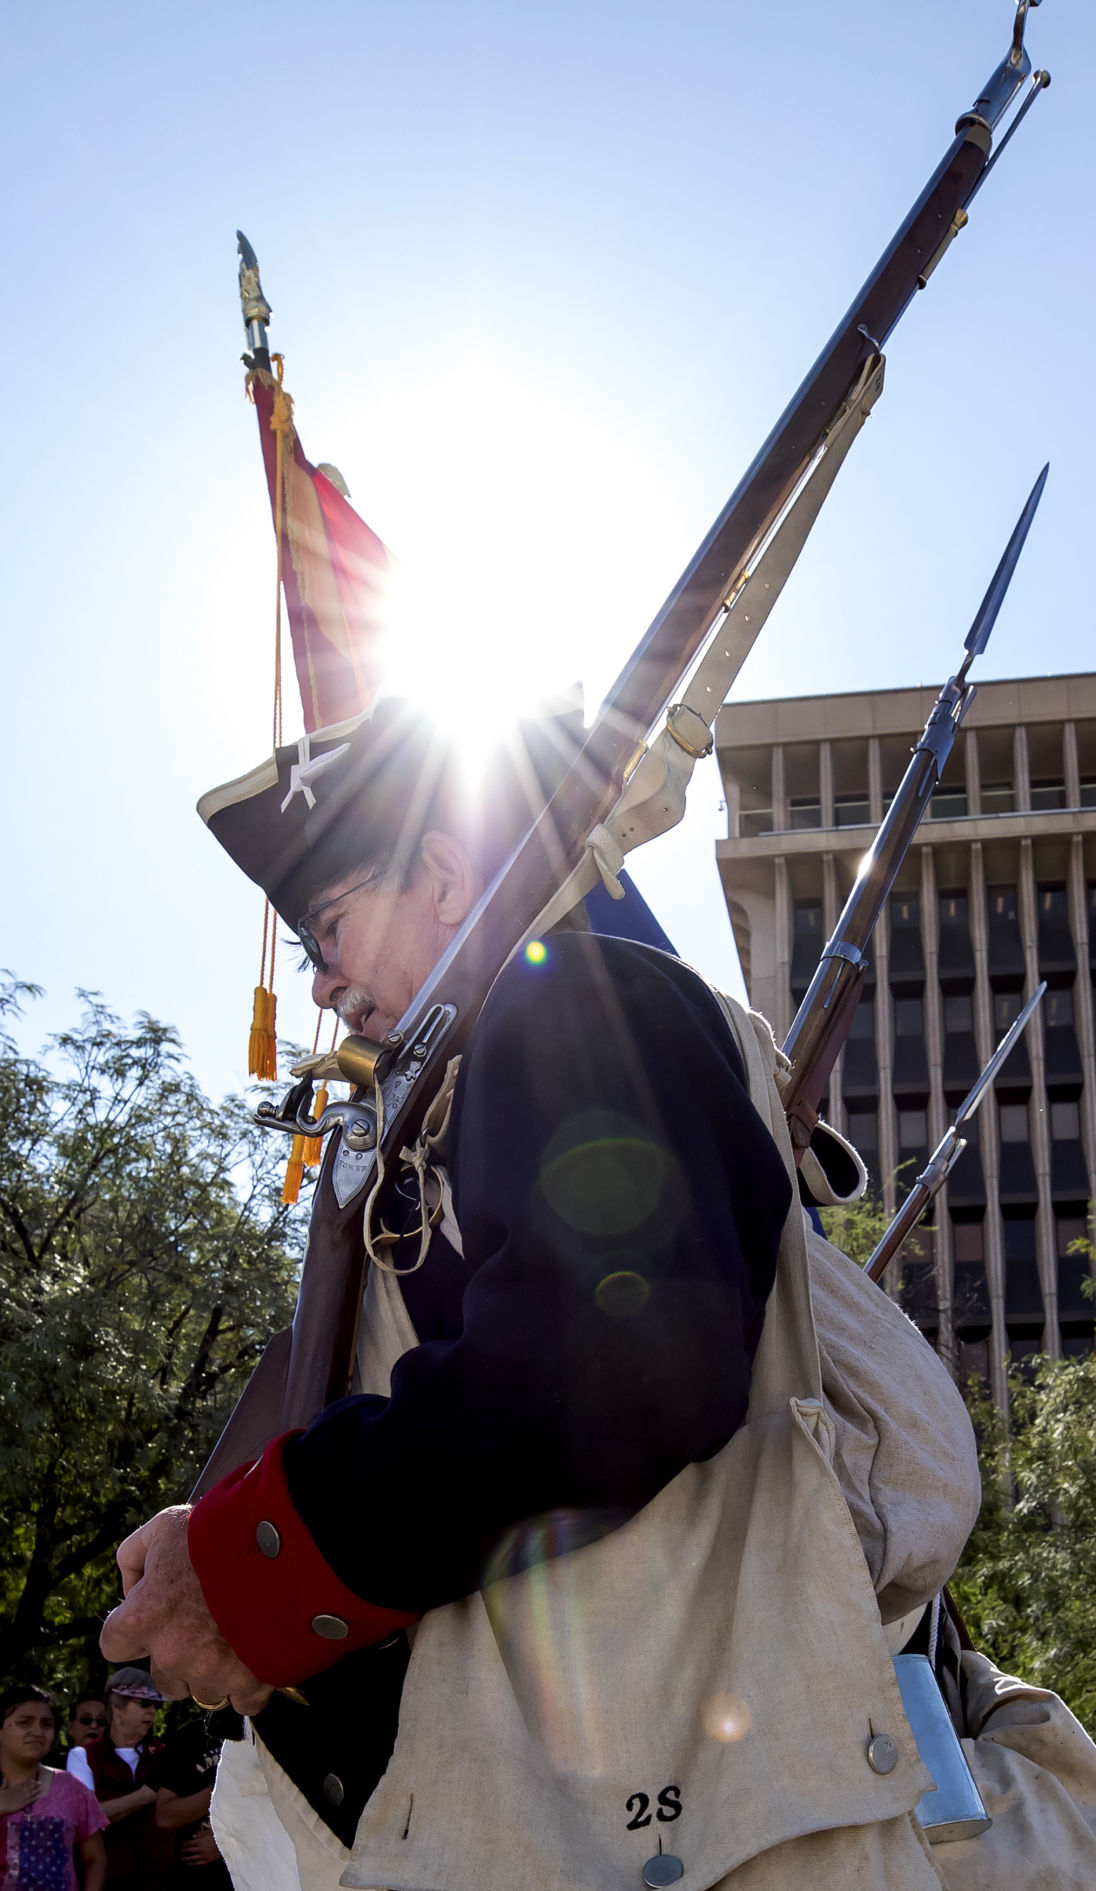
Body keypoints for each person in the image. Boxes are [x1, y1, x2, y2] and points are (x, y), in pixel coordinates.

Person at [101, 702, 981, 1889]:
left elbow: (610, 1363)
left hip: (683, 1807)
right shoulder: (463, 1087)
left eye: (329, 928)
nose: (319, 988)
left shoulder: (571, 998)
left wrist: (265, 1558)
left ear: (450, 877)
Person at [67, 1668, 170, 1891]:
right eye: (144, 1703)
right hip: (106, 1881)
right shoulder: (82, 1756)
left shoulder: (167, 1755)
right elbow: (85, 1820)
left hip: (164, 1880)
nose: (152, 1711)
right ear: (117, 1708)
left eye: (156, 1704)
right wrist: (144, 1796)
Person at [0, 1684, 107, 1891]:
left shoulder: (72, 1788)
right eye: (24, 1722)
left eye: (46, 1724)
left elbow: (95, 1858)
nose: (37, 1732)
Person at [152, 1715, 234, 1887]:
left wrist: (227, 1843)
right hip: (193, 1876)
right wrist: (222, 1787)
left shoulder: (264, 1736)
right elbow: (165, 1816)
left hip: (254, 1873)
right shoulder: (188, 1737)